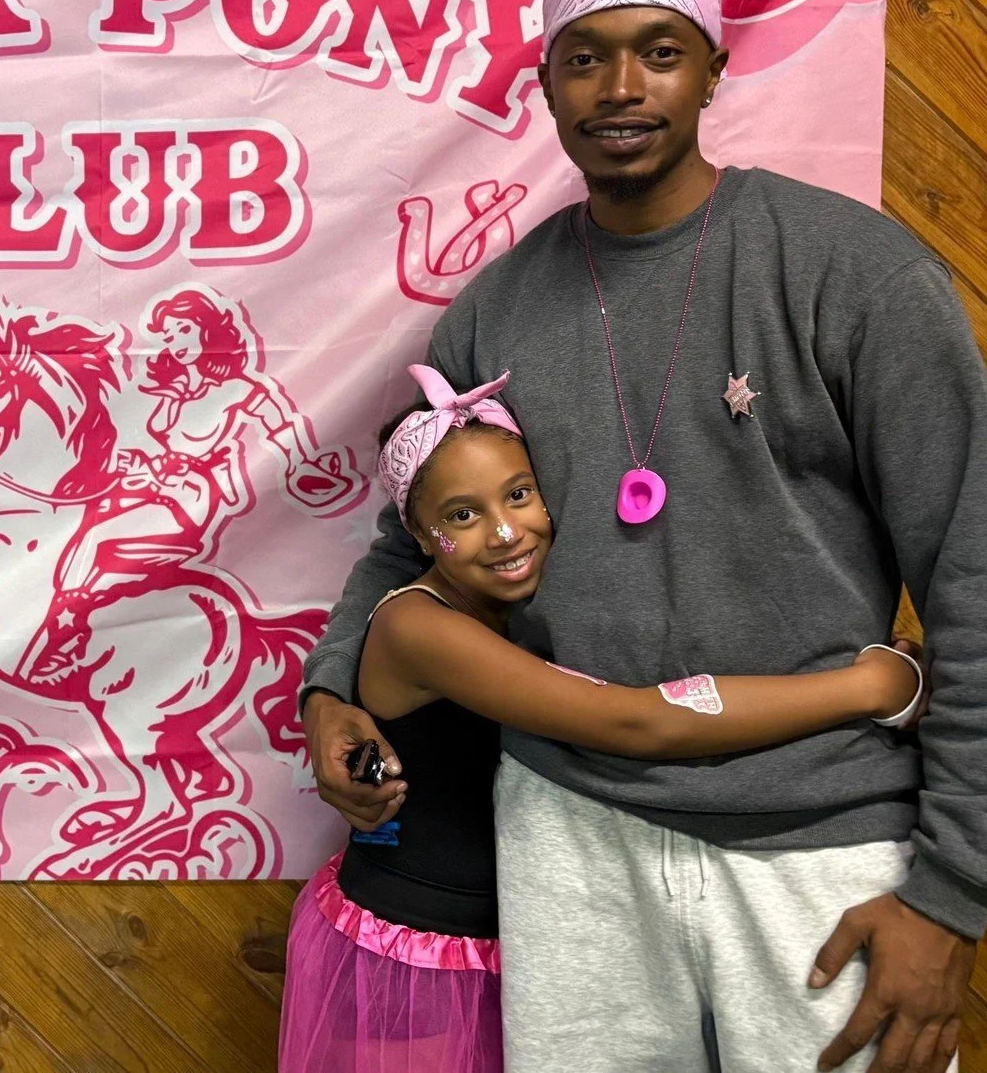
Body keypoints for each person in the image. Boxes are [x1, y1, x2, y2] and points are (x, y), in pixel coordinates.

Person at [302, 0, 987, 1073]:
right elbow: (404, 542)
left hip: (821, 836)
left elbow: (974, 574)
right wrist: (334, 684)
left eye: (659, 52)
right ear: (547, 84)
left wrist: (955, 889)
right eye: (586, 58)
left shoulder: (855, 275)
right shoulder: (498, 306)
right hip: (570, 833)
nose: (622, 88)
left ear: (714, 67)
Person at [279, 364, 924, 1073]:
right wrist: (864, 687)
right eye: (463, 514)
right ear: (421, 534)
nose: (503, 531)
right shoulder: (419, 627)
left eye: (519, 495)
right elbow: (637, 723)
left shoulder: (512, 606)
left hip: (515, 945)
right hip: (421, 955)